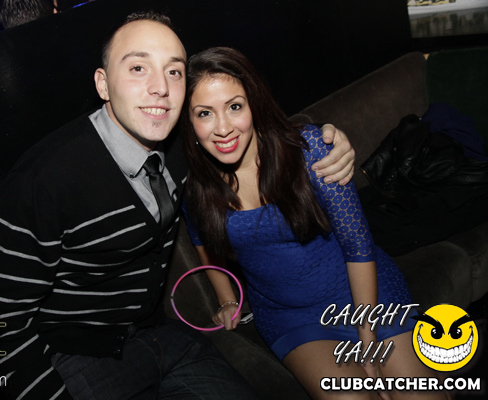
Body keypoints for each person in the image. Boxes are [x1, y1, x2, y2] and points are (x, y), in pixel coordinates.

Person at [0, 12, 355, 399]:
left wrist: (325, 141)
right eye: (138, 68)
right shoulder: (42, 182)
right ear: (103, 84)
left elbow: (251, 134)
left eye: (174, 72)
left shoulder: (180, 147)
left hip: (161, 335)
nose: (160, 88)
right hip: (74, 356)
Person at [181, 47, 446, 400]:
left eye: (234, 106)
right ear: (189, 122)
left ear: (253, 104)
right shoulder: (195, 188)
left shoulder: (310, 151)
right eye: (204, 113)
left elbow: (358, 245)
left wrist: (367, 344)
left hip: (364, 294)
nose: (224, 127)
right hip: (291, 317)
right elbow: (200, 237)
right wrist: (226, 297)